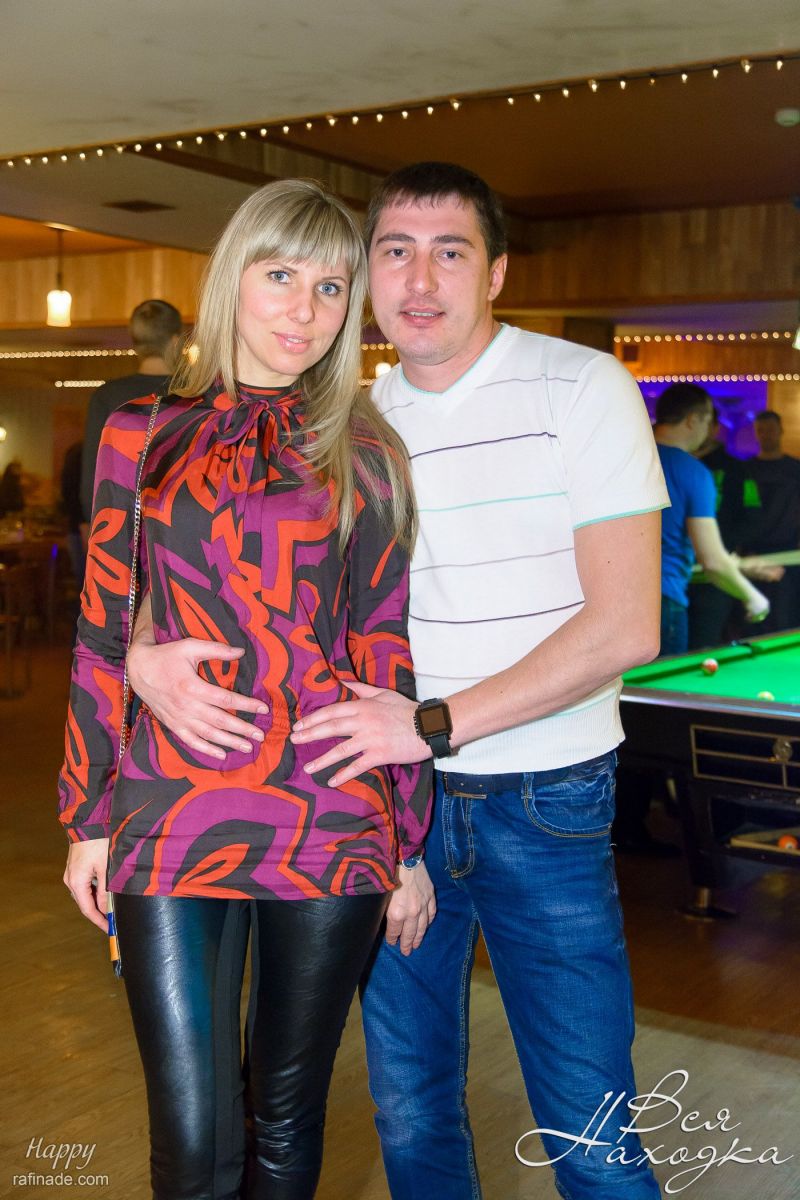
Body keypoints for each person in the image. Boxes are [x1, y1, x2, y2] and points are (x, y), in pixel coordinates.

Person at [128, 162, 670, 1198]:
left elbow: (625, 625)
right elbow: (207, 577)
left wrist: (430, 724)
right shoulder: (343, 419)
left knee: (590, 1128)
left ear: (495, 272)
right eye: (394, 253)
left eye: (450, 252)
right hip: (376, 802)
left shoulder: (580, 384)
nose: (419, 280)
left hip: (540, 796)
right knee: (411, 1110)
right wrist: (144, 652)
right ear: (366, 275)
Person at [59, 178, 432, 1200]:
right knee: (191, 1136)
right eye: (280, 276)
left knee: (283, 1123)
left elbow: (382, 648)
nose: (303, 310)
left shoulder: (367, 450)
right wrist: (88, 818)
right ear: (233, 277)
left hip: (329, 808)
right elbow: (101, 631)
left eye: (330, 287)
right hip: (169, 801)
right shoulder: (140, 432)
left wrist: (403, 842)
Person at [651, 383, 772, 657]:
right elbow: (713, 561)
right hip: (663, 602)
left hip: (607, 598)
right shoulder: (694, 472)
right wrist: (753, 597)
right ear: (693, 420)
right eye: (707, 422)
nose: (709, 431)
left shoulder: (621, 459)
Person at [79, 298, 183, 523]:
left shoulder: (107, 397)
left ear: (136, 344)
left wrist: (93, 521)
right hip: (180, 526)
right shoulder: (195, 394)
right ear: (176, 341)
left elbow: (92, 474)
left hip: (121, 523)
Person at [732, 409, 800, 631]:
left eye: (770, 429)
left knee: (785, 619)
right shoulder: (745, 470)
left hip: (789, 554)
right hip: (751, 554)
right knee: (751, 621)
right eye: (761, 430)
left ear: (781, 430)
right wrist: (740, 550)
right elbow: (736, 514)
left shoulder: (795, 469)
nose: (766, 435)